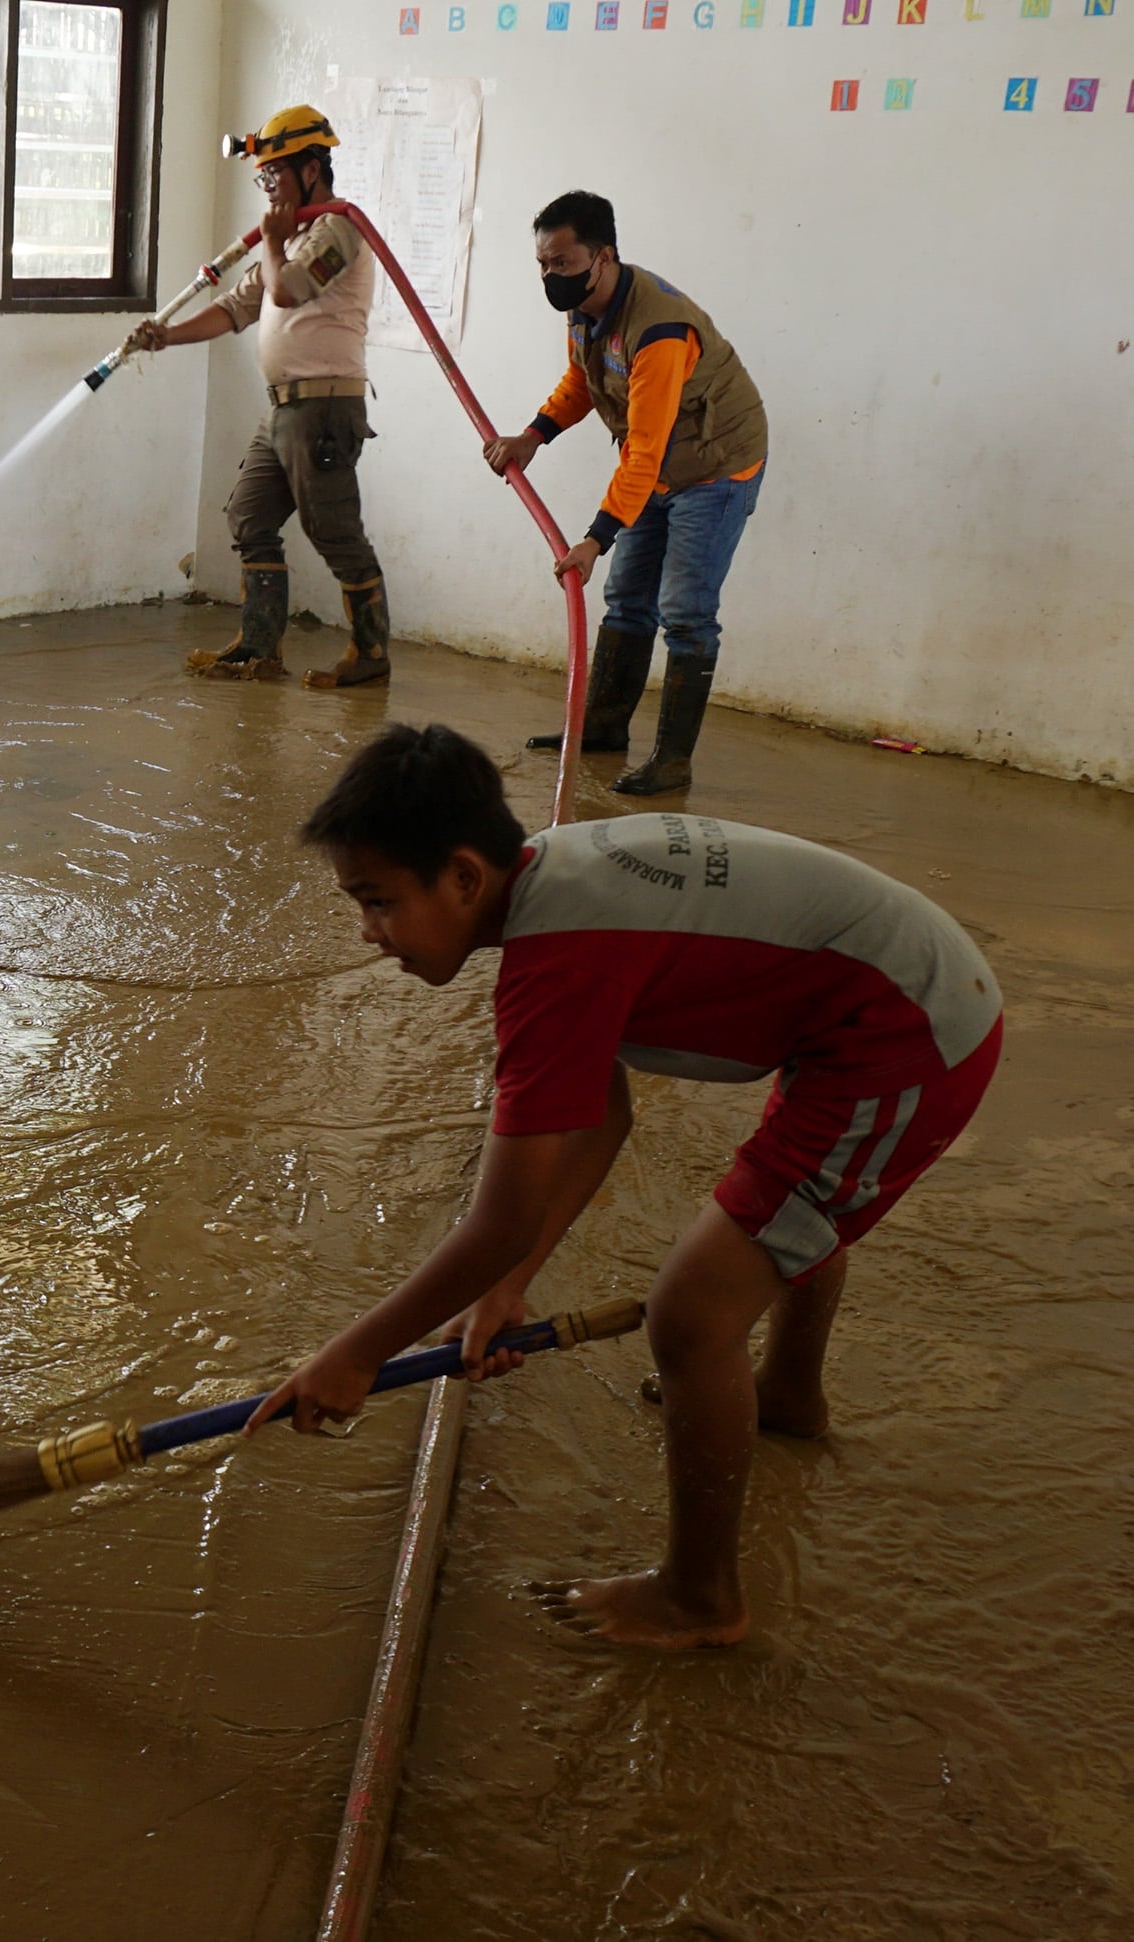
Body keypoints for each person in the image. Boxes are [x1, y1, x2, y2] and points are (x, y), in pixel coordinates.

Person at [253, 724, 1002, 1650]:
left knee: (691, 1311)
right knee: (778, 1217)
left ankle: (699, 1598)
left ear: (463, 877)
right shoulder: (554, 883)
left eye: (377, 902)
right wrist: (506, 1287)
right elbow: (599, 1116)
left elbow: (499, 1219)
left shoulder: (556, 960)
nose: (368, 934)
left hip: (909, 1035)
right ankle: (787, 1394)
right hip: (880, 997)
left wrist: (356, 1354)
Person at [482, 191, 769, 796]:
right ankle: (604, 728)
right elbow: (583, 379)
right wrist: (534, 436)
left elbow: (644, 450)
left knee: (685, 612)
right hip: (657, 465)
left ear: (604, 257)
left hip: (715, 467)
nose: (550, 276)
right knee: (627, 600)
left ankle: (672, 761)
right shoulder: (583, 305)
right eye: (542, 264)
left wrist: (594, 540)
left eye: (562, 263)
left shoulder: (659, 329)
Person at [130, 105, 390, 692]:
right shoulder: (290, 238)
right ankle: (259, 646)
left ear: (311, 168)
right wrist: (167, 336)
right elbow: (235, 308)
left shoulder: (338, 230)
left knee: (333, 531)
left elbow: (288, 289)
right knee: (249, 514)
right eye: (263, 176)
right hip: (283, 408)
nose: (269, 185)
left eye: (276, 172)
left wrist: (272, 242)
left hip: (324, 407)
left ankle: (371, 652)